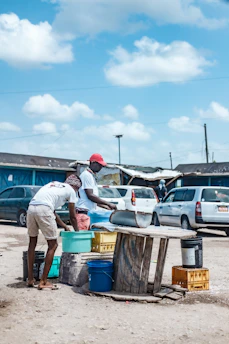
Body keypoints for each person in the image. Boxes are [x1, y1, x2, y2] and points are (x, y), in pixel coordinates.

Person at [27, 174, 82, 290]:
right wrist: (78, 233)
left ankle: (30, 279)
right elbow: (72, 216)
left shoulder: (53, 185)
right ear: (76, 187)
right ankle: (43, 281)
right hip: (44, 208)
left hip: (31, 207)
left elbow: (51, 210)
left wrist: (64, 226)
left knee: (32, 242)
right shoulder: (71, 191)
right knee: (53, 245)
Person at [76, 153, 117, 230]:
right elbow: (90, 195)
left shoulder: (91, 176)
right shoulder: (86, 175)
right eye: (99, 165)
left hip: (89, 212)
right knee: (84, 237)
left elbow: (93, 199)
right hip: (83, 212)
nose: (101, 167)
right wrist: (108, 203)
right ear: (93, 163)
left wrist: (105, 206)